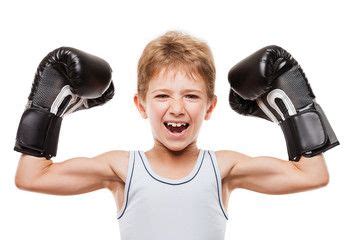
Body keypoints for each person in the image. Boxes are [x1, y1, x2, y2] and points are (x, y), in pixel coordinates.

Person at [14, 32, 339, 240]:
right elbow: (31, 177)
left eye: (191, 96)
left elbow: (313, 174)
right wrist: (46, 107)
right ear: (141, 105)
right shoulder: (121, 169)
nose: (177, 109)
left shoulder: (223, 168)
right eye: (162, 96)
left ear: (210, 107)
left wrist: (296, 107)